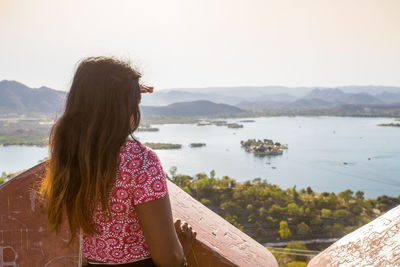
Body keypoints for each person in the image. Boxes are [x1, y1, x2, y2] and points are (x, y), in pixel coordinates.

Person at [39, 56, 196, 266]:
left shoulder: (68, 157)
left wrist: (127, 90)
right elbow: (168, 258)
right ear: (123, 108)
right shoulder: (141, 161)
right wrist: (182, 248)